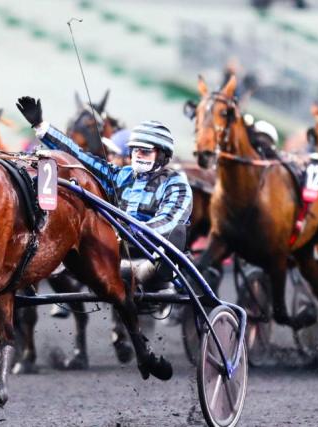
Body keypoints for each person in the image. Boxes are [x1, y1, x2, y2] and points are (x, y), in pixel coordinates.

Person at [16, 96, 193, 363]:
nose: (138, 157)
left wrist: (131, 228)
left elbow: (169, 222)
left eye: (145, 152)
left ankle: (133, 279)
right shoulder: (120, 176)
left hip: (155, 255)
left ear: (162, 155)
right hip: (115, 253)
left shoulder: (176, 184)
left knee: (163, 245)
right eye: (135, 151)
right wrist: (42, 127)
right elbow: (80, 157)